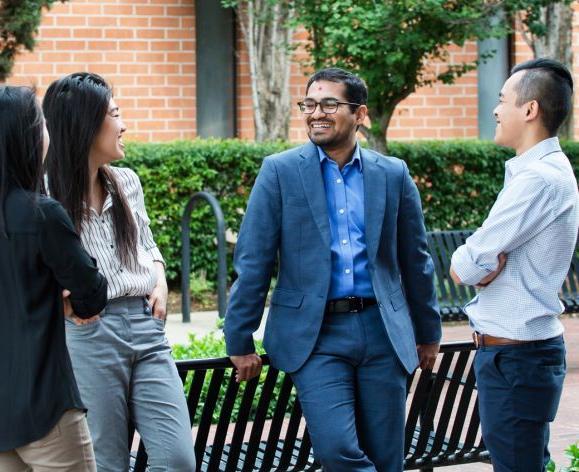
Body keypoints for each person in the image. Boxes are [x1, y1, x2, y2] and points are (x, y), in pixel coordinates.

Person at [224, 67, 441, 471]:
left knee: (386, 454)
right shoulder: (280, 171)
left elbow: (416, 259)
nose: (315, 113)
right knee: (337, 449)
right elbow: (254, 259)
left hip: (382, 332)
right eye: (309, 104)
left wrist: (428, 333)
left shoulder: (392, 174)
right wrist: (239, 338)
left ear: (359, 114)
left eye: (329, 104)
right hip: (316, 335)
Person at [42, 73, 196, 472]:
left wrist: (159, 274)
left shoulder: (127, 182)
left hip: (146, 327)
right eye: (114, 113)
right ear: (85, 124)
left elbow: (146, 244)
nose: (124, 124)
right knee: (105, 463)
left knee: (178, 460)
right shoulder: (44, 194)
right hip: (87, 333)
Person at [450, 58, 578, 471]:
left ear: (530, 110)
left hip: (517, 359)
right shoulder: (536, 173)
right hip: (517, 357)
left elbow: (466, 267)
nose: (495, 109)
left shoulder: (538, 179)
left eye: (503, 99)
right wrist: (485, 259)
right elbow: (483, 259)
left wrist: (478, 262)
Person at [0, 86, 107, 471]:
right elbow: (92, 293)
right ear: (25, 137)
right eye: (41, 123)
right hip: (44, 407)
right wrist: (73, 302)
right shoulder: (41, 214)